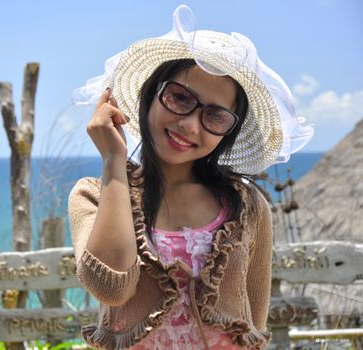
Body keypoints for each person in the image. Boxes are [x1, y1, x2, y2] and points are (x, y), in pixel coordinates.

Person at [68, 5, 313, 350]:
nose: (190, 124)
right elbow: (111, 287)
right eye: (179, 97)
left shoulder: (246, 206)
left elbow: (254, 327)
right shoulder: (93, 195)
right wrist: (113, 161)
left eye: (215, 116)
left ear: (227, 133)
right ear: (151, 94)